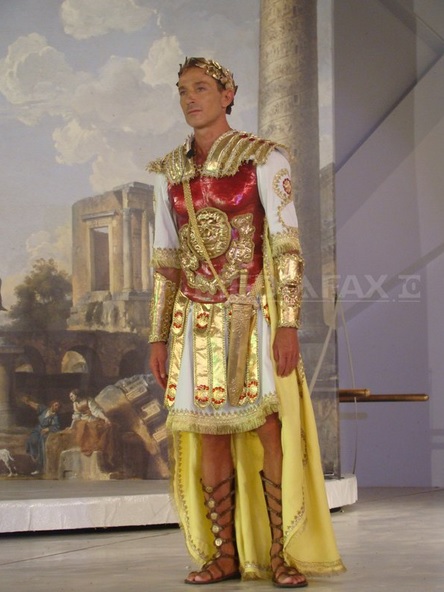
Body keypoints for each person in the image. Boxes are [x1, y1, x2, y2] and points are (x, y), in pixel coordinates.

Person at [148, 57, 345, 587]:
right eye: (183, 90)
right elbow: (166, 261)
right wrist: (157, 335)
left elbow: (286, 247)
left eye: (201, 88)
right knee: (207, 434)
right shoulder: (169, 173)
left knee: (268, 428)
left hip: (250, 312)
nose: (191, 98)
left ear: (228, 94)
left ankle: (281, 552)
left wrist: (288, 324)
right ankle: (224, 554)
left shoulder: (264, 158)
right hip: (193, 319)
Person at [22, 396, 61, 475]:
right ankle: (34, 457)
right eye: (56, 405)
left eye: (58, 406)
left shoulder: (55, 417)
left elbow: (56, 427)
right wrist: (28, 402)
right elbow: (36, 405)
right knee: (32, 440)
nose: (57, 407)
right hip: (38, 429)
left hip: (44, 432)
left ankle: (39, 467)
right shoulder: (44, 409)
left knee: (40, 446)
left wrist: (48, 429)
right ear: (52, 405)